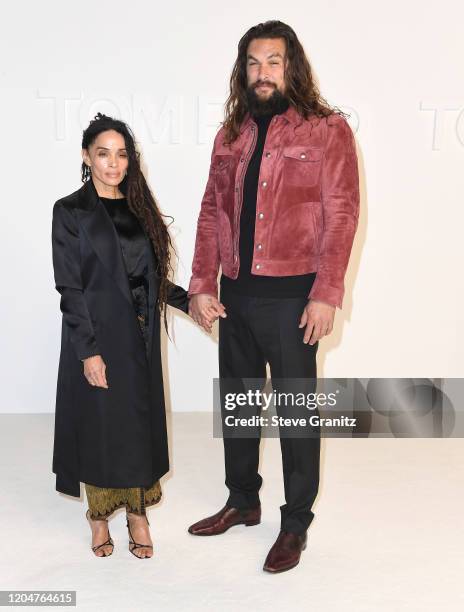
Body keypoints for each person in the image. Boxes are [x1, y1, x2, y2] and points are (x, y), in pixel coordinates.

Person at [187, 21, 360, 573]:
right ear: (244, 72)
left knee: (296, 414)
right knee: (238, 408)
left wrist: (326, 292)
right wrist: (200, 284)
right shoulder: (229, 134)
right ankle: (242, 501)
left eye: (274, 62)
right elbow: (211, 214)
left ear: (292, 68)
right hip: (234, 295)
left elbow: (341, 217)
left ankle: (294, 524)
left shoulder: (327, 131)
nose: (263, 73)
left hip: (292, 300)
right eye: (254, 64)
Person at [51, 113, 214, 558]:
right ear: (86, 156)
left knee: (138, 429)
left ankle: (137, 514)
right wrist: (88, 352)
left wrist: (192, 303)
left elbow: (151, 279)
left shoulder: (139, 208)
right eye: (103, 153)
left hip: (139, 340)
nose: (113, 163)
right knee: (102, 428)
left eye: (121, 154)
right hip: (97, 339)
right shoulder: (69, 211)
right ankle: (99, 517)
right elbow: (70, 287)